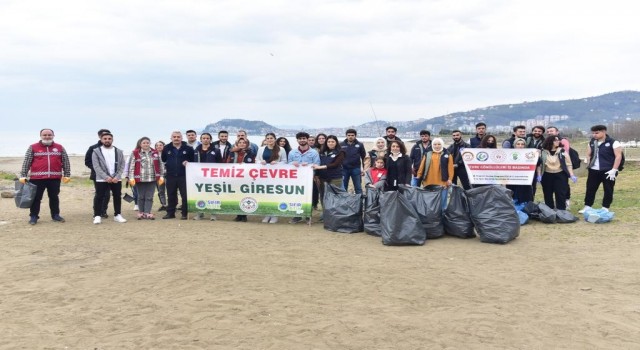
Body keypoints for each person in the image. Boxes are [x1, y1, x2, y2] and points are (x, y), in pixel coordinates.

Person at [19, 128, 71, 225]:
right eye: (45, 135)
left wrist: (67, 174)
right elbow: (26, 162)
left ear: (53, 136)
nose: (47, 137)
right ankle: (33, 216)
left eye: (49, 135)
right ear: (41, 136)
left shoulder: (60, 147)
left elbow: (65, 161)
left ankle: (55, 215)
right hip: (37, 179)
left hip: (54, 179)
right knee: (36, 198)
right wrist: (23, 175)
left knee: (54, 197)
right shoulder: (33, 147)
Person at [579, 125, 623, 214]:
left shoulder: (613, 142)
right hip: (594, 170)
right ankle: (587, 206)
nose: (594, 135)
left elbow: (618, 156)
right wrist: (587, 159)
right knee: (590, 188)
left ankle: (605, 207)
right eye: (593, 133)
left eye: (597, 133)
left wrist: (614, 169)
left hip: (608, 170)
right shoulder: (592, 142)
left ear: (604, 132)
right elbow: (588, 154)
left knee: (608, 189)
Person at [91, 132, 127, 224]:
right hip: (101, 179)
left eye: (109, 138)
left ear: (112, 139)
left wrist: (117, 176)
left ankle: (117, 215)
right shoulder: (96, 151)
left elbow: (122, 164)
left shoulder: (118, 151)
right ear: (101, 140)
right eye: (105, 138)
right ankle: (97, 215)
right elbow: (96, 166)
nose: (107, 140)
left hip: (116, 179)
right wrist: (106, 177)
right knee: (99, 196)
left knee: (117, 196)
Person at [128, 137, 165, 220]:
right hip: (139, 179)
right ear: (140, 144)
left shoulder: (155, 153)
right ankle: (141, 213)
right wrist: (131, 178)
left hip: (152, 178)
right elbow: (131, 166)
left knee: (149, 196)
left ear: (150, 143)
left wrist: (162, 176)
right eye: (144, 143)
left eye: (147, 143)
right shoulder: (135, 153)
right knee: (141, 196)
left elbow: (161, 165)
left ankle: (147, 212)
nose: (146, 144)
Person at [288, 132, 321, 224]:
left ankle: (307, 216)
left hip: (308, 179)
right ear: (297, 140)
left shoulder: (314, 152)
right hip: (296, 179)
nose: (302, 140)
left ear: (307, 139)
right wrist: (293, 164)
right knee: (296, 197)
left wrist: (309, 165)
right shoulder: (292, 152)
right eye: (300, 139)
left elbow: (317, 164)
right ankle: (297, 216)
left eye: (304, 138)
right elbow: (288, 164)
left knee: (308, 197)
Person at [537, 135, 577, 210]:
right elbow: (539, 165)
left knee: (560, 193)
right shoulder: (543, 152)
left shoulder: (562, 151)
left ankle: (561, 210)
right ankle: (549, 210)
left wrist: (572, 175)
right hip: (547, 175)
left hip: (560, 174)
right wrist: (539, 175)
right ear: (550, 141)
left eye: (558, 140)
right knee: (547, 193)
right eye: (555, 140)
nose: (558, 141)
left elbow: (569, 164)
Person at [161, 131, 195, 220]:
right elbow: (163, 159)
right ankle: (170, 213)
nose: (176, 138)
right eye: (174, 137)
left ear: (182, 138)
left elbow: (193, 160)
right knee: (171, 195)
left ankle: (184, 213)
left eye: (178, 137)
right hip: (170, 175)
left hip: (184, 175)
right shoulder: (166, 148)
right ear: (171, 138)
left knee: (185, 195)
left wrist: (188, 162)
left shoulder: (188, 148)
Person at [256, 132, 287, 223]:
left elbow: (285, 161)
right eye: (268, 138)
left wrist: (277, 163)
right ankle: (267, 214)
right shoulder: (261, 149)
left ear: (275, 139)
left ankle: (275, 215)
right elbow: (257, 160)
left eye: (271, 138)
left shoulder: (281, 149)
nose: (269, 140)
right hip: (264, 175)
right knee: (266, 195)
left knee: (275, 194)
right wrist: (260, 163)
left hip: (276, 175)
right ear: (265, 140)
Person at [416, 138, 453, 209]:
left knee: (442, 201)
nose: (437, 146)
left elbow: (450, 168)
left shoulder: (448, 154)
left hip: (443, 182)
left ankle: (442, 215)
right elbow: (422, 166)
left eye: (439, 144)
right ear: (432, 145)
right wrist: (419, 176)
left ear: (442, 145)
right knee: (429, 201)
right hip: (428, 182)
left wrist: (450, 179)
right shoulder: (427, 154)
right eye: (435, 144)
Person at [193, 132, 222, 221]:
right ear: (201, 139)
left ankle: (213, 213)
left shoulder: (216, 150)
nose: (205, 139)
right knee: (199, 195)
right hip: (199, 177)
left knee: (212, 195)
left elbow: (220, 163)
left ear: (210, 140)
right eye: (204, 138)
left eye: (207, 138)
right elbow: (192, 162)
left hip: (212, 177)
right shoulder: (196, 150)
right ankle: (199, 213)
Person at [313, 135, 346, 211]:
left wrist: (321, 167)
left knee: (335, 195)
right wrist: (317, 175)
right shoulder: (322, 152)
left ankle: (335, 212)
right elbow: (318, 163)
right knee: (323, 195)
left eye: (332, 142)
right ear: (326, 143)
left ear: (336, 142)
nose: (330, 143)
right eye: (329, 142)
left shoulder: (341, 152)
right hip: (322, 177)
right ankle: (325, 212)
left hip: (335, 177)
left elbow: (335, 164)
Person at [227, 138, 255, 222]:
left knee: (245, 196)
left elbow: (254, 165)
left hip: (246, 178)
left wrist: (245, 165)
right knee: (236, 196)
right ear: (237, 143)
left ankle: (244, 215)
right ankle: (238, 215)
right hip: (234, 177)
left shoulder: (251, 153)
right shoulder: (232, 152)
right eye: (240, 142)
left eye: (244, 143)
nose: (242, 144)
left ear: (247, 144)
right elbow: (227, 163)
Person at [85, 128, 111, 218]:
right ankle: (97, 211)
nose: (106, 138)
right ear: (100, 137)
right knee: (99, 194)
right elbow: (87, 161)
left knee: (107, 194)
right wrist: (97, 169)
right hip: (97, 175)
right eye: (104, 136)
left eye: (108, 136)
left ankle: (104, 211)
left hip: (110, 176)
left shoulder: (112, 149)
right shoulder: (93, 148)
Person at [547, 126, 572, 208]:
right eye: (548, 131)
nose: (549, 132)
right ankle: (549, 208)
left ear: (557, 132)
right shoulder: (544, 150)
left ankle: (562, 207)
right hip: (548, 173)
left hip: (561, 172)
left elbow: (568, 162)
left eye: (551, 131)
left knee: (561, 191)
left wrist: (571, 174)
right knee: (548, 192)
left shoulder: (563, 146)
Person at [507, 138, 534, 204]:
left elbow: (538, 162)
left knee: (525, 197)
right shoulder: (509, 154)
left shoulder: (529, 154)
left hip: (524, 180)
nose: (520, 146)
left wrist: (537, 154)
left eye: (522, 144)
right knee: (512, 196)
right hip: (512, 179)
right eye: (518, 144)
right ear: (514, 145)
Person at [340, 129, 367, 194]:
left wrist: (364, 169)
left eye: (352, 135)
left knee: (358, 187)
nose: (350, 137)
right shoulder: (341, 144)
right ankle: (343, 203)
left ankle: (359, 202)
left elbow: (364, 157)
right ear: (346, 136)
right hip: (344, 169)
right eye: (349, 135)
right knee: (343, 187)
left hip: (356, 169)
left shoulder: (360, 145)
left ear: (355, 136)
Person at [311, 133, 327, 209]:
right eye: (319, 138)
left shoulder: (329, 148)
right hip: (318, 172)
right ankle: (321, 207)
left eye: (323, 138)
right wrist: (315, 174)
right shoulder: (314, 149)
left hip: (328, 171)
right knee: (321, 191)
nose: (321, 140)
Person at [154, 141, 168, 211]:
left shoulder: (168, 154)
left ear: (164, 146)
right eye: (157, 145)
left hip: (168, 175)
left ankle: (171, 205)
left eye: (160, 145)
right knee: (161, 191)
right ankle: (164, 204)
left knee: (170, 190)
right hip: (159, 176)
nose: (159, 146)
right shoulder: (153, 155)